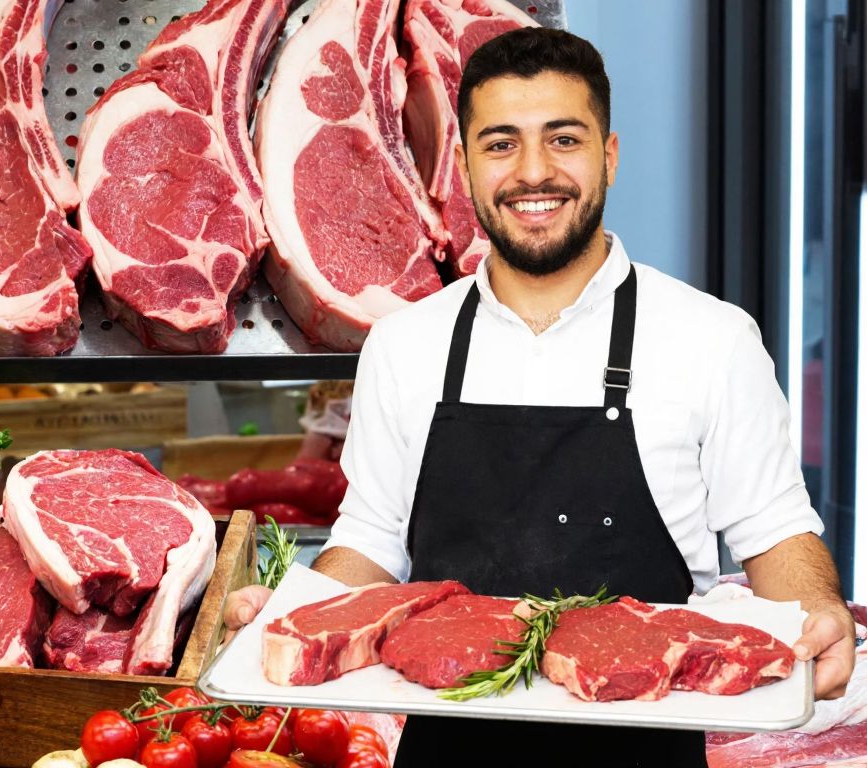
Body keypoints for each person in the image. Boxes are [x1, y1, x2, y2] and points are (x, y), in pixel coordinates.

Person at [223, 27, 855, 768]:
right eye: (500, 144)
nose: (533, 172)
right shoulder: (407, 346)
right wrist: (296, 617)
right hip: (446, 743)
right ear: (462, 166)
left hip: (645, 736)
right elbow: (370, 540)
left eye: (563, 139)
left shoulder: (712, 338)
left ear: (608, 156)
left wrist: (820, 611)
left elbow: (776, 531)